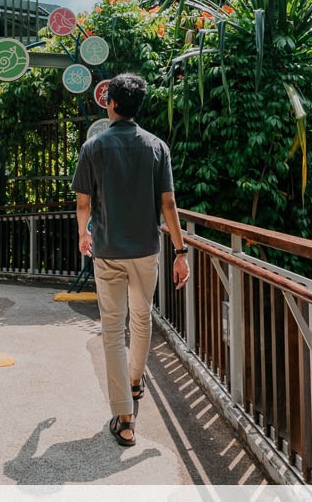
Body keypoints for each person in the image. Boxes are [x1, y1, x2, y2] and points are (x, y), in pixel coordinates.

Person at [70, 72, 190, 447]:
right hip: (146, 250)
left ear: (110, 103)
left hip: (107, 251)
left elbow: (83, 203)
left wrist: (83, 233)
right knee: (141, 317)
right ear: (138, 105)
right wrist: (181, 251)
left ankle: (124, 418)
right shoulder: (157, 147)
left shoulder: (93, 147)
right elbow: (168, 203)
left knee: (112, 329)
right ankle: (136, 380)